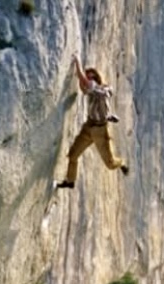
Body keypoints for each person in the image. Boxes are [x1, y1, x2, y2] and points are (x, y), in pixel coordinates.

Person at [57, 54, 128, 189]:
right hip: (88, 127)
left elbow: (84, 81)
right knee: (73, 155)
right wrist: (109, 116)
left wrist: (78, 62)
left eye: (90, 76)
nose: (88, 79)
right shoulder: (93, 90)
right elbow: (84, 86)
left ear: (95, 78)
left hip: (100, 131)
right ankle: (70, 181)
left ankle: (121, 163)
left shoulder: (100, 89)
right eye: (88, 76)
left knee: (110, 163)